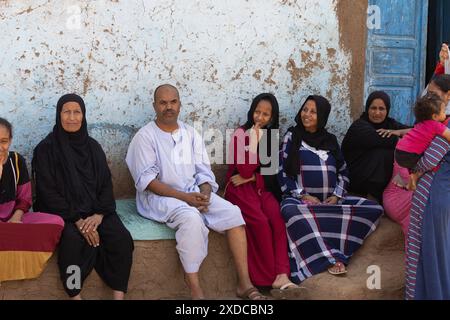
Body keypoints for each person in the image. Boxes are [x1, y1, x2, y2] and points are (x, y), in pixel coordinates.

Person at [126, 84, 267, 300]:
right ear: (154, 106)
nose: (168, 107)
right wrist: (186, 199)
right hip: (159, 197)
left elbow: (204, 172)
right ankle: (195, 290)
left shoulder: (190, 133)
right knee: (191, 218)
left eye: (173, 102)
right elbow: (148, 181)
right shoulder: (144, 137)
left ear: (180, 104)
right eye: (163, 103)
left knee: (233, 214)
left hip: (193, 193)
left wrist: (206, 193)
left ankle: (244, 284)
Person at [32, 94, 134, 300]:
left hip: (96, 211)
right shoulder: (46, 150)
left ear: (83, 115)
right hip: (63, 214)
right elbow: (47, 192)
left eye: (76, 112)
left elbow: (106, 184)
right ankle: (74, 293)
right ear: (58, 115)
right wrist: (78, 220)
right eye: (66, 112)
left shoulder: (93, 147)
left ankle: (118, 295)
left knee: (121, 239)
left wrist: (98, 215)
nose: (71, 117)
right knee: (71, 243)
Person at [278, 95, 383, 282]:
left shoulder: (331, 140)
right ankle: (332, 257)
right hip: (302, 202)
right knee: (289, 212)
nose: (307, 115)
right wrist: (303, 195)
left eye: (313, 112)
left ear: (323, 116)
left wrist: (337, 195)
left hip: (330, 202)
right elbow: (282, 172)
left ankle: (333, 248)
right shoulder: (291, 137)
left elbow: (343, 172)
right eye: (305, 109)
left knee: (374, 208)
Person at [224, 93, 303, 297]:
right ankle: (266, 279)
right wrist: (252, 141)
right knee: (259, 222)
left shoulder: (271, 136)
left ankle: (282, 275)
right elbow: (244, 170)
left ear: (272, 117)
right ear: (251, 111)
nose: (260, 117)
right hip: (238, 190)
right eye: (257, 112)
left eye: (266, 114)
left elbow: (271, 173)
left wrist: (252, 179)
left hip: (261, 188)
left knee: (277, 218)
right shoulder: (240, 134)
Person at [0, 118, 64, 282]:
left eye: (4, 142)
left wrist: (15, 218)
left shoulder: (16, 160)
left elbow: (25, 199)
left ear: (11, 141)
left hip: (13, 219)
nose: (0, 148)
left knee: (56, 222)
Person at [405, 74, 450, 300]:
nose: (429, 97)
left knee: (428, 251)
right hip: (440, 193)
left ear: (449, 96)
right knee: (438, 251)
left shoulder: (446, 126)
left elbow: (431, 159)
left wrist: (413, 168)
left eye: (434, 94)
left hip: (433, 194)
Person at [341, 91, 410, 203]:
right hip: (355, 178)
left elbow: (417, 131)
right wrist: (398, 135)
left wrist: (398, 131)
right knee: (383, 154)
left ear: (387, 110)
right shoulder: (359, 127)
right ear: (367, 109)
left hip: (377, 177)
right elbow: (389, 140)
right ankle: (372, 197)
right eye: (373, 108)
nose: (377, 113)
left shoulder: (390, 124)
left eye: (381, 109)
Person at [394, 93, 450, 190]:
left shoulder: (421, 124)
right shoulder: (435, 125)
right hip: (410, 154)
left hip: (399, 151)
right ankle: (413, 176)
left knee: (414, 164)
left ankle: (408, 181)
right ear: (435, 116)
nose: (445, 114)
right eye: (443, 111)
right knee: (429, 163)